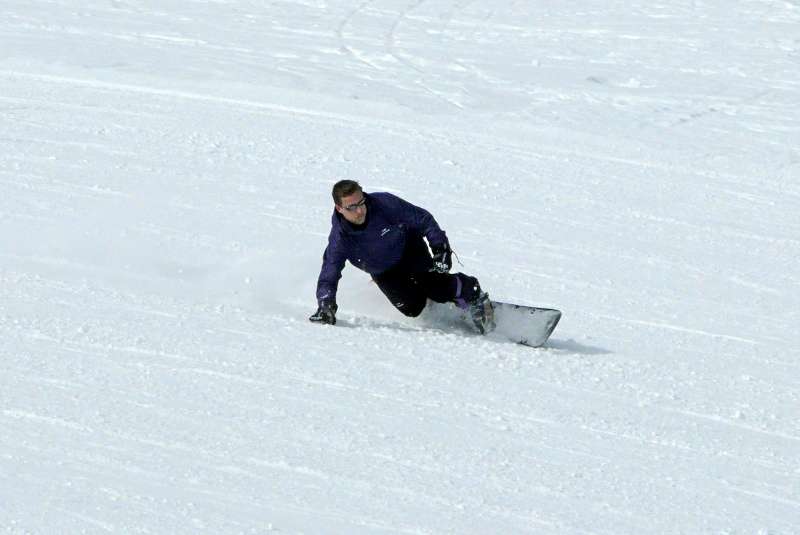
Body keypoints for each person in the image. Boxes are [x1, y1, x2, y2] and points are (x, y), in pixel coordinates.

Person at [310, 180, 494, 333]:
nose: (359, 211)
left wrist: (440, 248)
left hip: (408, 249)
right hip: (382, 271)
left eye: (361, 203)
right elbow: (329, 272)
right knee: (412, 309)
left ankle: (472, 294)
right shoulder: (340, 239)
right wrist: (326, 304)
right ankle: (432, 298)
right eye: (351, 207)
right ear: (339, 208)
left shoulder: (383, 204)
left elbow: (423, 219)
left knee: (435, 285)